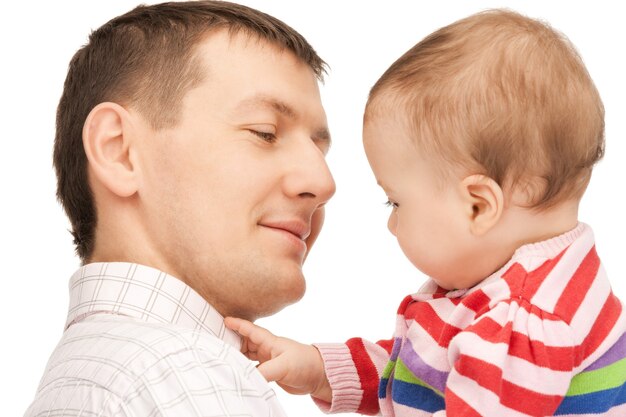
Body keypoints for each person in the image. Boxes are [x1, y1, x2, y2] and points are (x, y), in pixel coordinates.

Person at [226, 9, 626, 417]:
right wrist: (319, 370)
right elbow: (429, 372)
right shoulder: (522, 286)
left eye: (395, 202)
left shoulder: (521, 326)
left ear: (478, 206)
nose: (391, 223)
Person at [24, 1, 335, 416]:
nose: (323, 183)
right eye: (265, 133)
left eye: (319, 149)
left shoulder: (84, 375)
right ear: (119, 152)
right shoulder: (184, 374)